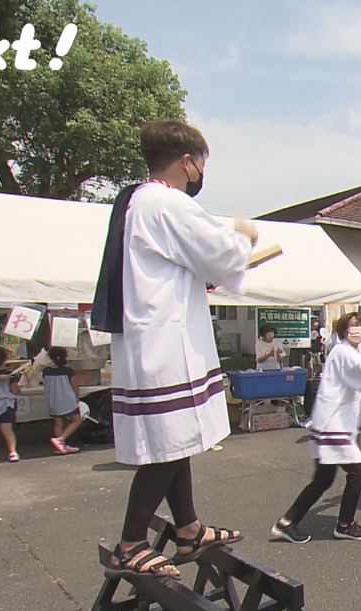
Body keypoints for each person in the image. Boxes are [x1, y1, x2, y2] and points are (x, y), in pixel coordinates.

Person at [92, 119, 252, 578]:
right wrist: (245, 237)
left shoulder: (135, 199)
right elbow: (220, 252)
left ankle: (188, 527)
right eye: (202, 162)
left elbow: (191, 264)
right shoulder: (165, 202)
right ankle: (131, 542)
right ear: (187, 161)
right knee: (164, 446)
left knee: (175, 437)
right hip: (164, 341)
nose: (202, 171)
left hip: (152, 334)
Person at [271, 313, 361, 543]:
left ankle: (286, 523)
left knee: (323, 479)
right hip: (333, 424)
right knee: (359, 473)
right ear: (342, 330)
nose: (359, 330)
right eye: (353, 326)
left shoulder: (352, 349)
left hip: (331, 422)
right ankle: (345, 525)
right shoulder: (342, 351)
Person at [43, 347, 84, 455]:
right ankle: (60, 439)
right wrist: (77, 396)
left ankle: (61, 446)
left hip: (52, 400)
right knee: (76, 420)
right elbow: (74, 386)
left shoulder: (46, 371)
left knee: (58, 422)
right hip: (66, 400)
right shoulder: (68, 371)